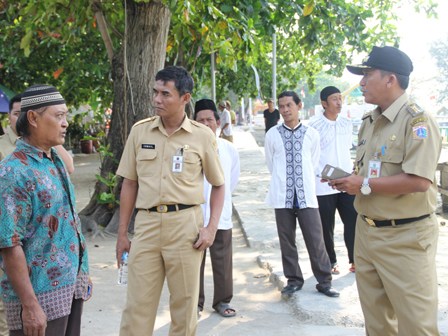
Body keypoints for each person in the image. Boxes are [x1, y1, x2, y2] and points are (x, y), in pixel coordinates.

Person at [330, 46, 441, 335]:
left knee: (416, 325)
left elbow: (419, 181)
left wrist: (364, 184)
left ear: (390, 80)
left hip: (406, 237)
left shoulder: (417, 121)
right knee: (377, 324)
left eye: (367, 75)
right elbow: (372, 173)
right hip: (367, 233)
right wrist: (353, 180)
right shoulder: (369, 122)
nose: (361, 82)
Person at [116, 66, 225, 336]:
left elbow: (219, 184)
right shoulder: (140, 132)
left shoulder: (202, 135)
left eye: (166, 94)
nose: (157, 100)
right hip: (147, 226)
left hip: (185, 226)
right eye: (155, 92)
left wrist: (211, 227)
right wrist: (122, 233)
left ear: (185, 99)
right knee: (137, 305)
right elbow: (130, 183)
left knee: (184, 305)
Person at [0, 84, 92, 336]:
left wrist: (82, 273)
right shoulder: (12, 172)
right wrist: (29, 306)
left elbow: (68, 222)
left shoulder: (53, 161)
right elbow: (9, 245)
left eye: (66, 116)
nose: (65, 123)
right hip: (38, 298)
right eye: (58, 116)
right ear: (32, 118)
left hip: (69, 289)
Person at [264, 90, 339, 298]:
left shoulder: (311, 134)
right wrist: (285, 182)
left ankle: (324, 281)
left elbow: (313, 163)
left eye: (289, 105)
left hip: (306, 194)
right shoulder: (272, 134)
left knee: (316, 240)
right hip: (282, 196)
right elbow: (271, 164)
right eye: (282, 106)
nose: (285, 109)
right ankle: (294, 280)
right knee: (287, 240)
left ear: (299, 106)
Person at [194, 99, 240, 318]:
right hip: (193, 215)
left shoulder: (228, 149)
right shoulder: (187, 148)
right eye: (200, 120)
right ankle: (195, 303)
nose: (205, 124)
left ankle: (222, 301)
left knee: (222, 260)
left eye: (209, 120)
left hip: (220, 216)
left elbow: (231, 181)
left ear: (218, 121)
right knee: (194, 262)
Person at [308, 86, 357, 274]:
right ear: (324, 103)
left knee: (352, 220)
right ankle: (330, 261)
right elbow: (311, 155)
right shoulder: (314, 126)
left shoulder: (347, 123)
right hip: (323, 184)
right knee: (326, 226)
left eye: (340, 98)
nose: (339, 102)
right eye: (334, 99)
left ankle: (354, 259)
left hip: (346, 182)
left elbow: (347, 150)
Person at [0, 93, 75, 174]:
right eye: (17, 114)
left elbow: (69, 168)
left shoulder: (44, 141)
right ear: (9, 117)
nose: (21, 119)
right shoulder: (2, 145)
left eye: (24, 114)